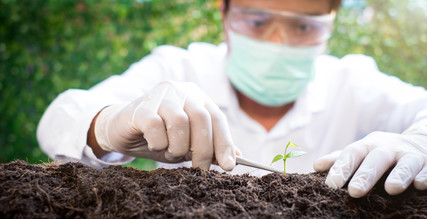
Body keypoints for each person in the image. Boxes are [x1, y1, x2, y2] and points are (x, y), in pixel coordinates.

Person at [37, 0, 427, 198]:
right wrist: (106, 125)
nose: (278, 42)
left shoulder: (355, 84)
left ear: (331, 24)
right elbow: (59, 119)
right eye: (257, 21)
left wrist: (417, 139)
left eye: (304, 26)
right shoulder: (180, 69)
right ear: (224, 13)